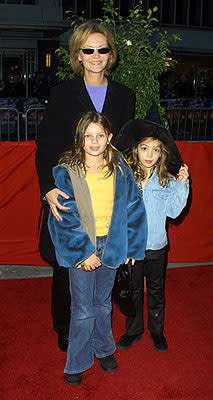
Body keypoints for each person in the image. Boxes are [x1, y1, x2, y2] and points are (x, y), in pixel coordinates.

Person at [35, 19, 136, 353]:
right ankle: (64, 327)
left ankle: (98, 324)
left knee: (106, 260)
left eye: (102, 49)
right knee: (68, 262)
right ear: (77, 54)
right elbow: (47, 144)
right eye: (88, 49)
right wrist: (49, 187)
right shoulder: (63, 94)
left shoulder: (125, 96)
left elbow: (128, 148)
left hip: (107, 191)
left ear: (111, 54)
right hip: (71, 190)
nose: (96, 55)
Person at [47, 111, 147, 385]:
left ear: (109, 138)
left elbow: (134, 208)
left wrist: (131, 248)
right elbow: (64, 218)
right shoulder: (68, 172)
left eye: (100, 135)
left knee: (103, 304)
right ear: (80, 139)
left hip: (112, 245)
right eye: (88, 136)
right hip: (84, 247)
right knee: (82, 308)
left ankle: (104, 348)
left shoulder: (121, 168)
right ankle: (78, 360)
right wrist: (83, 253)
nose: (94, 141)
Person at [115, 103, 189, 353]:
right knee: (134, 290)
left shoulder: (166, 181)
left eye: (155, 150)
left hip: (157, 246)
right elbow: (119, 214)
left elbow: (174, 212)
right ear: (136, 150)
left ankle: (157, 332)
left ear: (161, 154)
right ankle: (133, 330)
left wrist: (182, 184)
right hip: (133, 247)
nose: (149, 154)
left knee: (156, 290)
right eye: (144, 148)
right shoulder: (127, 178)